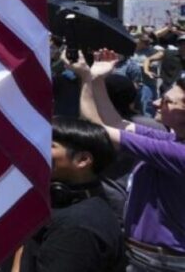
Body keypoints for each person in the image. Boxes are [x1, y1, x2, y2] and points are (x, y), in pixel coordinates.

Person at [75, 49, 185, 271]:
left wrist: (85, 79)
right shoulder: (173, 140)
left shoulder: (178, 153)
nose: (155, 103)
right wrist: (97, 80)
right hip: (149, 256)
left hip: (162, 263)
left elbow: (98, 131)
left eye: (167, 101)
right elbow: (117, 124)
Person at [18, 117, 124, 272]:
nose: (37, 149)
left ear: (83, 160)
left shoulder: (78, 229)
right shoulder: (65, 203)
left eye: (49, 145)